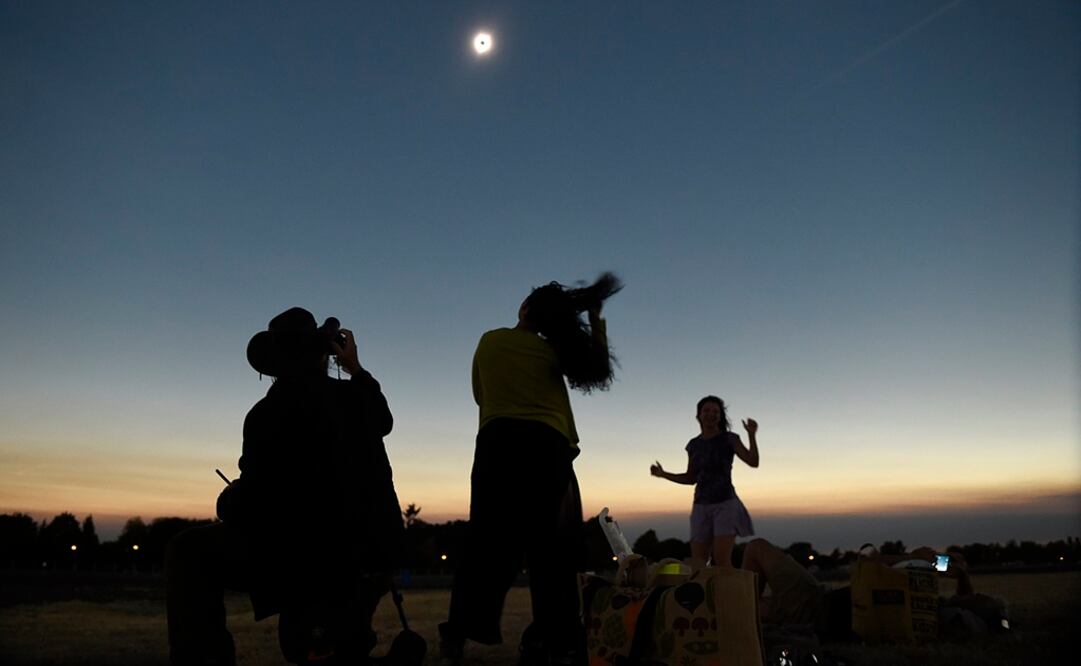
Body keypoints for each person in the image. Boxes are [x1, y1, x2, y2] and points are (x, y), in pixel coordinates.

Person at [166, 307, 404, 665]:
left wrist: (228, 499)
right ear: (325, 354)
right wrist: (355, 369)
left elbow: (257, 503)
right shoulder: (358, 398)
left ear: (273, 365)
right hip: (376, 552)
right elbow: (383, 419)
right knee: (324, 643)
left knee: (189, 550)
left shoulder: (267, 413)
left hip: (311, 558)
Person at [439, 273, 623, 666]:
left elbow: (479, 394)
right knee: (551, 551)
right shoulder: (554, 352)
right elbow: (597, 368)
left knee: (485, 546)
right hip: (548, 450)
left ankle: (456, 635)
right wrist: (595, 321)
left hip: (497, 447)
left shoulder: (490, 341)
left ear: (524, 311)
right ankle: (559, 643)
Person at [650, 396, 759, 567]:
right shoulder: (693, 445)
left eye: (716, 411)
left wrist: (751, 435)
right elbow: (691, 478)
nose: (711, 414)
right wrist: (663, 474)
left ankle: (729, 593)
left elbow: (753, 461)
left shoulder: (730, 439)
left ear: (720, 416)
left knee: (721, 560)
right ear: (698, 415)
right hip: (701, 505)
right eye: (706, 411)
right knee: (698, 562)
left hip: (726, 504)